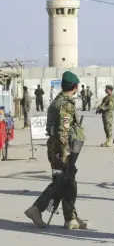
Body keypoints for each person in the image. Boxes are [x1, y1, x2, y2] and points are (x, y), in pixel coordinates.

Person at [24, 71, 88, 230]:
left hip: (56, 147)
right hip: (61, 149)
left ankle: (70, 218)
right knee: (63, 181)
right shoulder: (65, 104)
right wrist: (67, 156)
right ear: (75, 87)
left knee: (67, 182)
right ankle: (37, 208)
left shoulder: (57, 101)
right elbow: (63, 132)